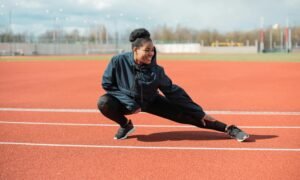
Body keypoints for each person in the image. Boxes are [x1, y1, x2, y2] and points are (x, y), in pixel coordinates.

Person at [97, 28, 249, 142]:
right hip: (127, 103)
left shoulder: (156, 71)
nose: (151, 54)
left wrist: (199, 112)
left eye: (153, 50)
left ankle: (228, 129)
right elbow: (107, 84)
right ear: (135, 50)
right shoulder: (118, 61)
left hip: (150, 101)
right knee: (104, 102)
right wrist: (129, 102)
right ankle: (125, 125)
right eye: (147, 50)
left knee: (188, 116)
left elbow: (173, 92)